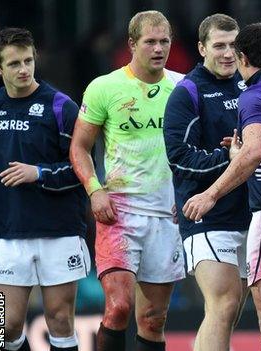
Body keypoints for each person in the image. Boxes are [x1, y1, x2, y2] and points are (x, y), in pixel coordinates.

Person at [163, 13, 261, 351]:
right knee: (225, 302)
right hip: (208, 214)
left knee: (231, 311)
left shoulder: (252, 85)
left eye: (233, 45)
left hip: (253, 212)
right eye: (219, 45)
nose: (228, 53)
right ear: (202, 48)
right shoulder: (186, 93)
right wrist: (225, 160)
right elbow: (178, 157)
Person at [69, 11, 185, 351]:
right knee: (119, 307)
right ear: (132, 44)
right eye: (150, 41)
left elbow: (199, 145)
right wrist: (95, 190)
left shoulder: (183, 87)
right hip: (118, 212)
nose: (158, 48)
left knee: (153, 319)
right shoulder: (105, 87)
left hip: (167, 214)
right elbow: (79, 147)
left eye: (164, 41)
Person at [0, 27, 90, 351]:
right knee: (2, 327)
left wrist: (39, 173)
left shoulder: (61, 107)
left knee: (60, 320)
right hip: (6, 233)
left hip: (58, 231)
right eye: (14, 64)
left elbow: (83, 169)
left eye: (28, 60)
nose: (23, 69)